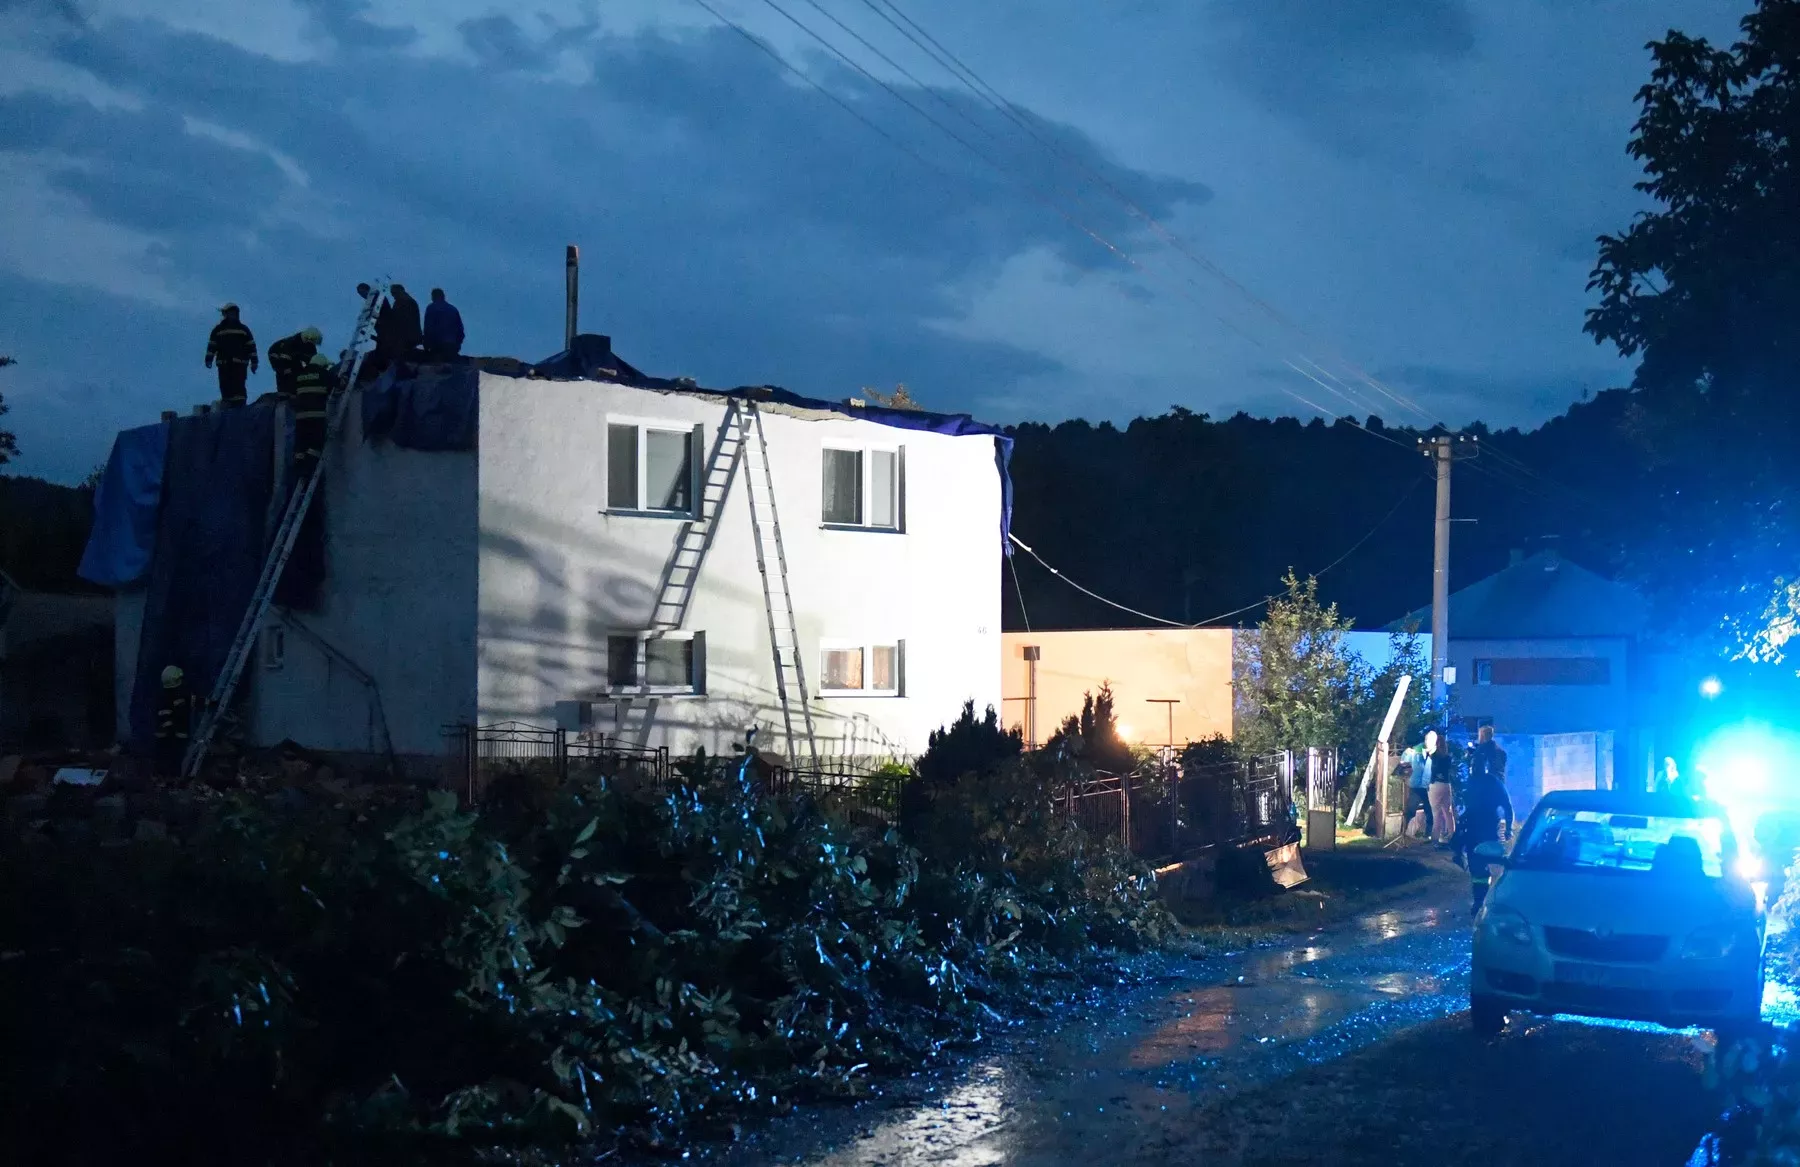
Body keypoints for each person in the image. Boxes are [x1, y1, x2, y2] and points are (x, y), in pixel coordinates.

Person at [1461, 760, 1515, 914]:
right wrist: (1508, 828)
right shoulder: (1491, 782)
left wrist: (1508, 828)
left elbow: (1506, 805)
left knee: (1482, 865)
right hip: (1480, 828)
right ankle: (1481, 901)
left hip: (1481, 829)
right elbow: (1507, 806)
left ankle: (1484, 900)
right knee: (1480, 865)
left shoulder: (1481, 782)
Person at [204, 303, 259, 407]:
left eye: (230, 313)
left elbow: (251, 346)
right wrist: (208, 359)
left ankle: (240, 406)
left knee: (238, 386)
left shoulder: (243, 330)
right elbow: (212, 346)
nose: (228, 315)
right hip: (224, 364)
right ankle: (227, 404)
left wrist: (254, 362)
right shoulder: (218, 330)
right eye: (226, 313)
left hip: (239, 364)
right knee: (225, 385)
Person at [292, 351, 335, 475]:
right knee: (316, 443)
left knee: (301, 444)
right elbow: (339, 384)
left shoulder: (300, 375)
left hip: (300, 417)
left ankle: (298, 466)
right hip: (316, 416)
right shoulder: (323, 373)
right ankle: (308, 469)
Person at [154, 664, 191, 779]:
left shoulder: (173, 696)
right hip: (171, 737)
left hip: (172, 736)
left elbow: (192, 700)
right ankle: (171, 777)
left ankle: (170, 776)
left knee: (171, 759)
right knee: (172, 759)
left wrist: (209, 703)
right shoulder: (168, 699)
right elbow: (166, 720)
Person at [267, 327, 323, 399]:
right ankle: (283, 393)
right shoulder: (292, 343)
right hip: (276, 354)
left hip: (292, 356)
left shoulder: (310, 345)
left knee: (298, 370)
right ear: (309, 338)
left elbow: (313, 360)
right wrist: (287, 370)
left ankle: (294, 390)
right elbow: (284, 361)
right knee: (285, 371)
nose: (314, 345)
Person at [1398, 733, 1434, 839]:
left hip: (1429, 787)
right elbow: (1404, 763)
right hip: (1416, 786)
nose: (1429, 743)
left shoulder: (1436, 753)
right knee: (1410, 809)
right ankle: (1403, 833)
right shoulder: (1415, 751)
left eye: (1431, 741)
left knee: (1429, 811)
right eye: (1428, 740)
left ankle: (1428, 834)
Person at [1427, 728, 1457, 846]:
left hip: (1435, 785)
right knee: (1448, 812)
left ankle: (1435, 838)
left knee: (1436, 813)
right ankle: (1452, 835)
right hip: (1446, 784)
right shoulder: (1448, 757)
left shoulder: (1432, 756)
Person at [422, 287, 465, 362]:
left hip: (437, 345)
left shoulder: (431, 308)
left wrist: (426, 344)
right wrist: (458, 343)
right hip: (452, 344)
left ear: (433, 297)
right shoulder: (453, 309)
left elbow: (428, 328)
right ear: (443, 296)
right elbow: (460, 329)